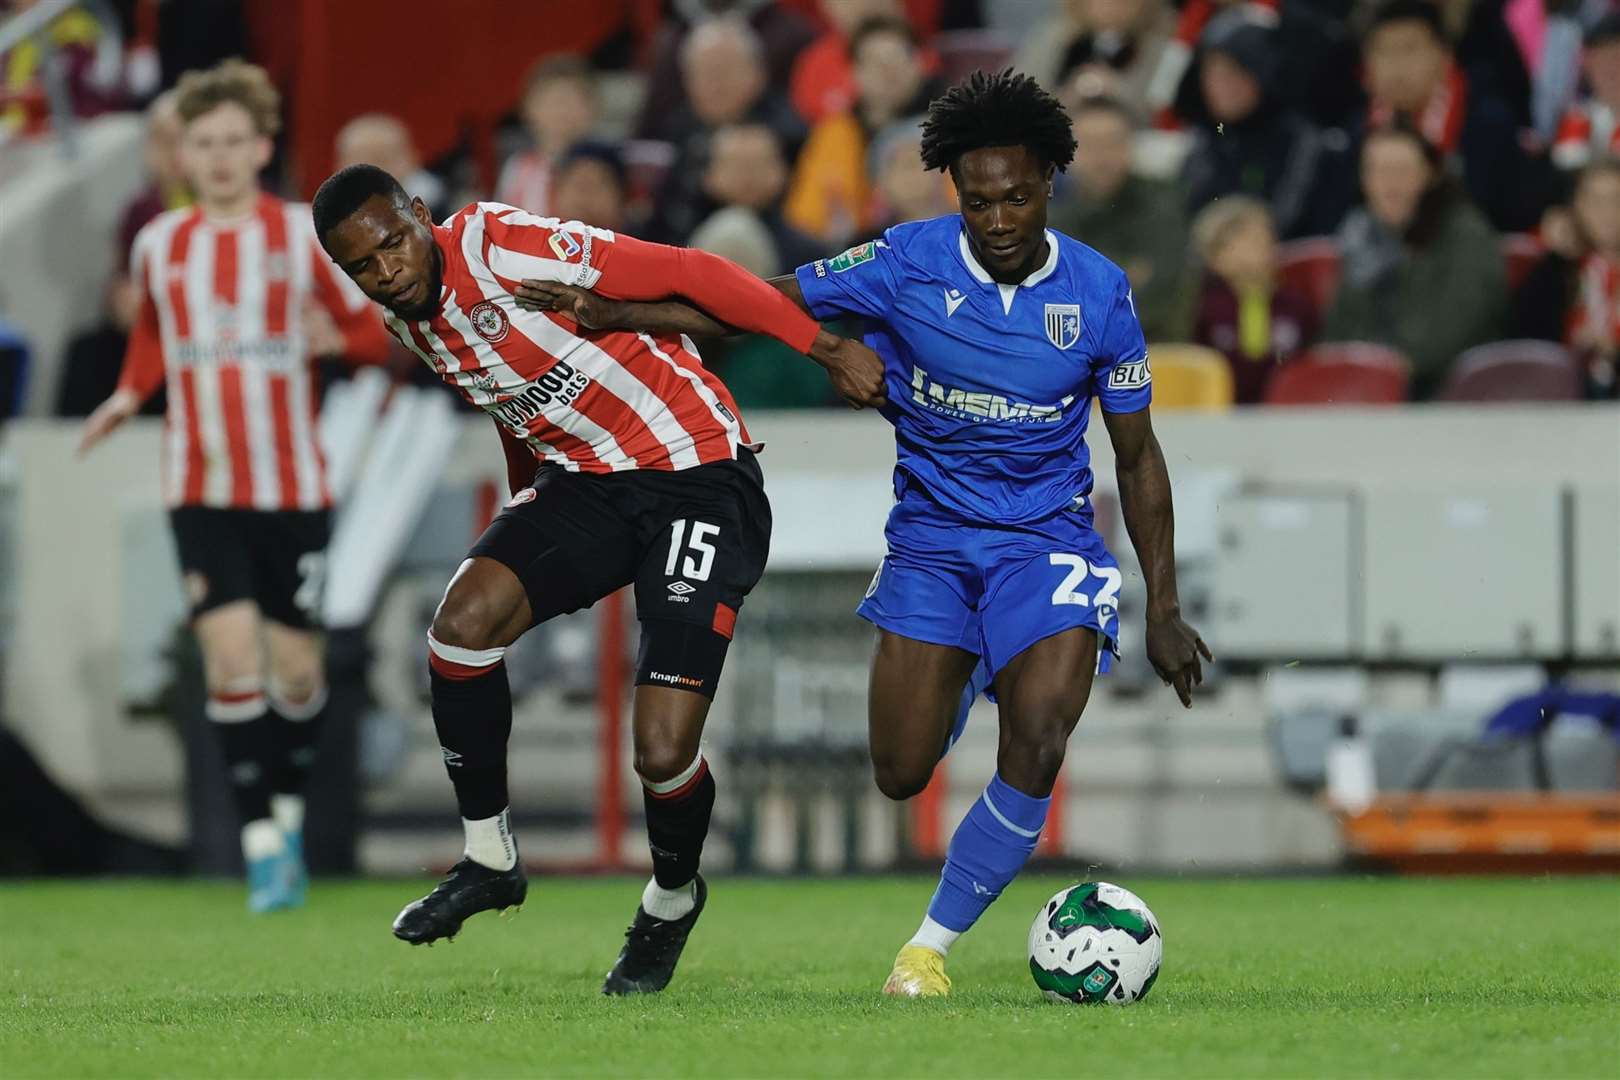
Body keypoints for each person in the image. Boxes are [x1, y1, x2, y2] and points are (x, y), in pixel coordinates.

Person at [517, 71, 1211, 998]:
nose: (997, 218)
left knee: (1041, 735)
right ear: (951, 193)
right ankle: (970, 670)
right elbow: (755, 302)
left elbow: (1138, 456)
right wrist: (618, 312)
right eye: (976, 201)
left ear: (1050, 180)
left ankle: (926, 949)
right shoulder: (907, 263)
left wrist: (1162, 606)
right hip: (931, 542)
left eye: (1015, 196)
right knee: (898, 771)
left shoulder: (1100, 293)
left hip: (1048, 542)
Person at [309, 166, 883, 993]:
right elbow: (510, 401)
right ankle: (488, 858)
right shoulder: (409, 320)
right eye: (363, 265)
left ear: (419, 217)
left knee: (661, 750)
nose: (387, 269)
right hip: (586, 486)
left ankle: (673, 898)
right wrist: (523, 509)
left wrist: (825, 347)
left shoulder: (505, 248)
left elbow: (696, 275)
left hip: (697, 473)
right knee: (460, 628)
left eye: (395, 243)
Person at [76, 60, 391, 913]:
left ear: (260, 147)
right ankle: (260, 844)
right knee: (227, 656)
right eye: (200, 143)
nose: (216, 157)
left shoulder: (299, 236)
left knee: (296, 671)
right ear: (183, 153)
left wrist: (336, 339)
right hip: (201, 485)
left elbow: (373, 331)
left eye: (231, 142)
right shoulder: (160, 244)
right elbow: (153, 334)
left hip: (292, 487)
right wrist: (127, 395)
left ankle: (283, 813)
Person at [1323, 123, 1506, 400]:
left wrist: (1388, 369)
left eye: (1402, 171)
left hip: (1452, 394)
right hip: (1369, 391)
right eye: (1379, 171)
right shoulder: (1358, 236)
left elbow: (1455, 328)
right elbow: (1338, 329)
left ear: (1429, 175)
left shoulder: (1465, 235)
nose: (1390, 183)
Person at [1360, 0, 1543, 232]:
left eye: (1409, 48)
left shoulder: (1487, 125)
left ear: (1445, 57)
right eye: (1383, 51)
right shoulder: (1358, 129)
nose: (1396, 66)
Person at [1181, 4, 1354, 241]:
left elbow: (1286, 219)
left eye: (1234, 72)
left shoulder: (1301, 140)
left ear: (1262, 73)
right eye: (1212, 72)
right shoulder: (1210, 133)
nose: (1221, 86)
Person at [783, 15, 938, 249]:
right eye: (875, 62)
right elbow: (807, 220)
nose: (888, 72)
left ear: (919, 64)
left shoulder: (951, 128)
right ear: (854, 72)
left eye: (897, 58)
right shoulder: (834, 132)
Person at [1048, 95, 1190, 342]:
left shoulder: (1162, 207)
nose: (1103, 158)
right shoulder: (1049, 218)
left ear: (1131, 146)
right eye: (1091, 145)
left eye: (1113, 143)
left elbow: (1164, 296)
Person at [1188, 195, 1317, 404]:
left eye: (1261, 237)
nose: (1255, 246)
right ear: (1214, 256)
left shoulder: (1296, 306)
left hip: (1287, 416)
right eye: (1239, 240)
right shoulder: (1203, 308)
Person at [1514, 158, 1620, 399]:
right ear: (1576, 206)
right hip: (1562, 398)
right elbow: (1527, 342)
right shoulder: (1557, 270)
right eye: (1595, 201)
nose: (1608, 212)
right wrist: (1556, 260)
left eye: (1617, 199)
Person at [701, 123, 823, 271]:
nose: (748, 178)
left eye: (758, 165)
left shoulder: (809, 254)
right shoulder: (678, 234)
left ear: (783, 171)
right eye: (736, 166)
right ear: (709, 175)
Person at [494, 56, 600, 217]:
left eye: (571, 101)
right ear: (528, 109)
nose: (561, 111)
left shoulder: (601, 169)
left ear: (592, 108)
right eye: (553, 101)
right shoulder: (518, 168)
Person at [334, 113, 454, 222]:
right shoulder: (322, 224)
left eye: (384, 159)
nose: (374, 169)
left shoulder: (451, 211)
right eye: (362, 161)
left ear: (414, 158)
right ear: (338, 166)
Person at [1551, 14, 1620, 172]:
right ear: (1588, 65)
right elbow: (1567, 166)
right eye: (1602, 61)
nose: (1612, 70)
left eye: (1617, 59)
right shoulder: (1579, 116)